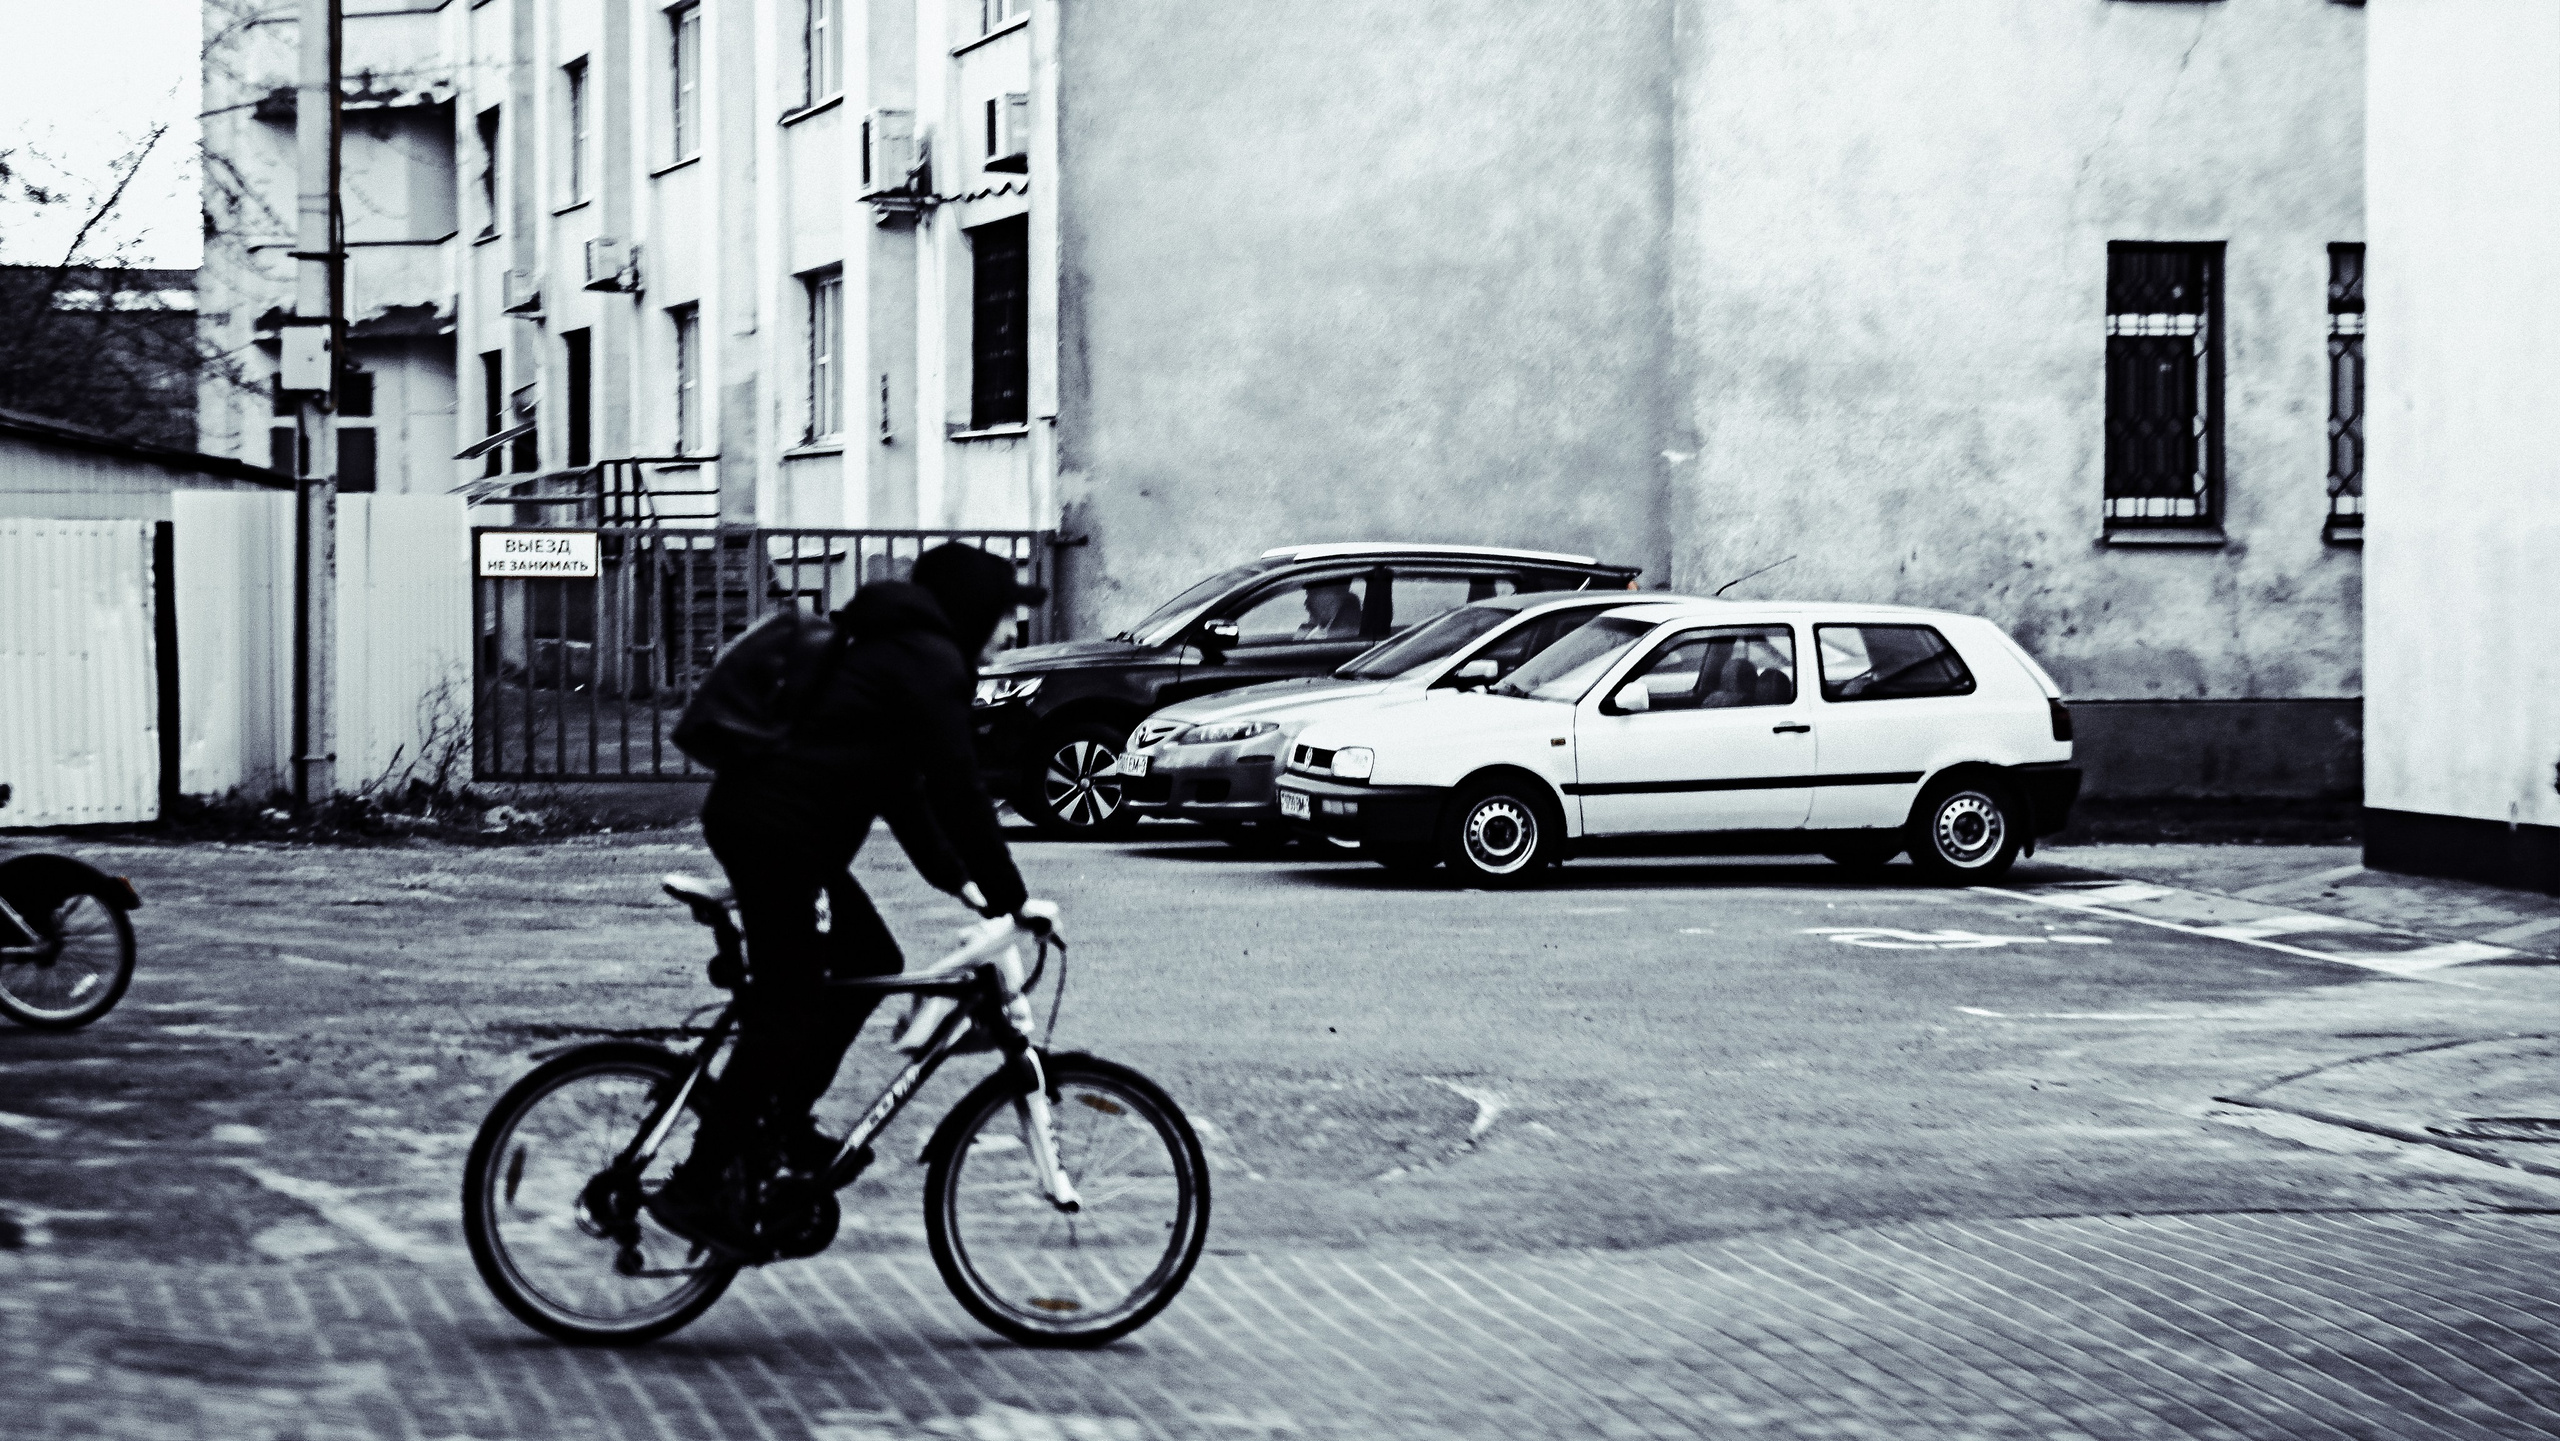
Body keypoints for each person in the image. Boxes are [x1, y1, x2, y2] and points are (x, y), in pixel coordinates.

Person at [648, 543, 1042, 1257]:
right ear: (973, 608)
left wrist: (960, 879)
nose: (1013, 633)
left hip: (778, 829)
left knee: (869, 956)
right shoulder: (928, 660)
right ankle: (700, 1182)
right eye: (1007, 616)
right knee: (788, 1001)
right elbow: (958, 785)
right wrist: (1012, 896)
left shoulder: (893, 649)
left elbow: (902, 788)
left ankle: (783, 1120)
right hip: (777, 833)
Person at [1295, 581, 1361, 640]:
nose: (1306, 603)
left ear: (1330, 597)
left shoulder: (1345, 633)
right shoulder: (1324, 628)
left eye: (1312, 594)